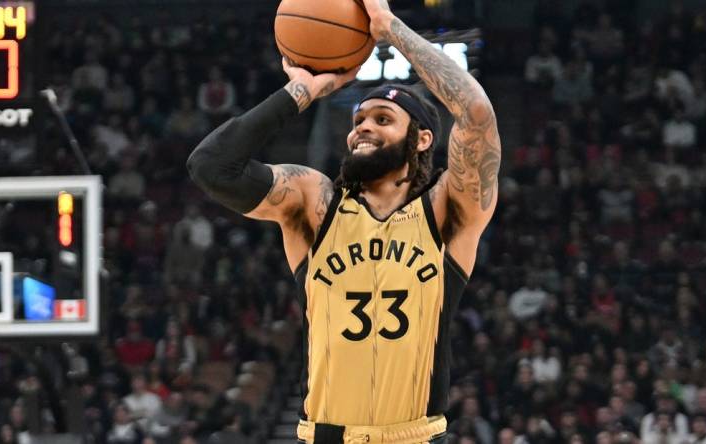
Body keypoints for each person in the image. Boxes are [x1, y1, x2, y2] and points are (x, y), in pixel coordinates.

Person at [187, 0, 501, 441]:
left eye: (383, 119)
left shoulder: (446, 210)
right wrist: (300, 92)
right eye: (358, 120)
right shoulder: (315, 202)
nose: (363, 128)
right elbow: (211, 166)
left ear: (423, 139)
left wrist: (390, 28)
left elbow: (476, 115)